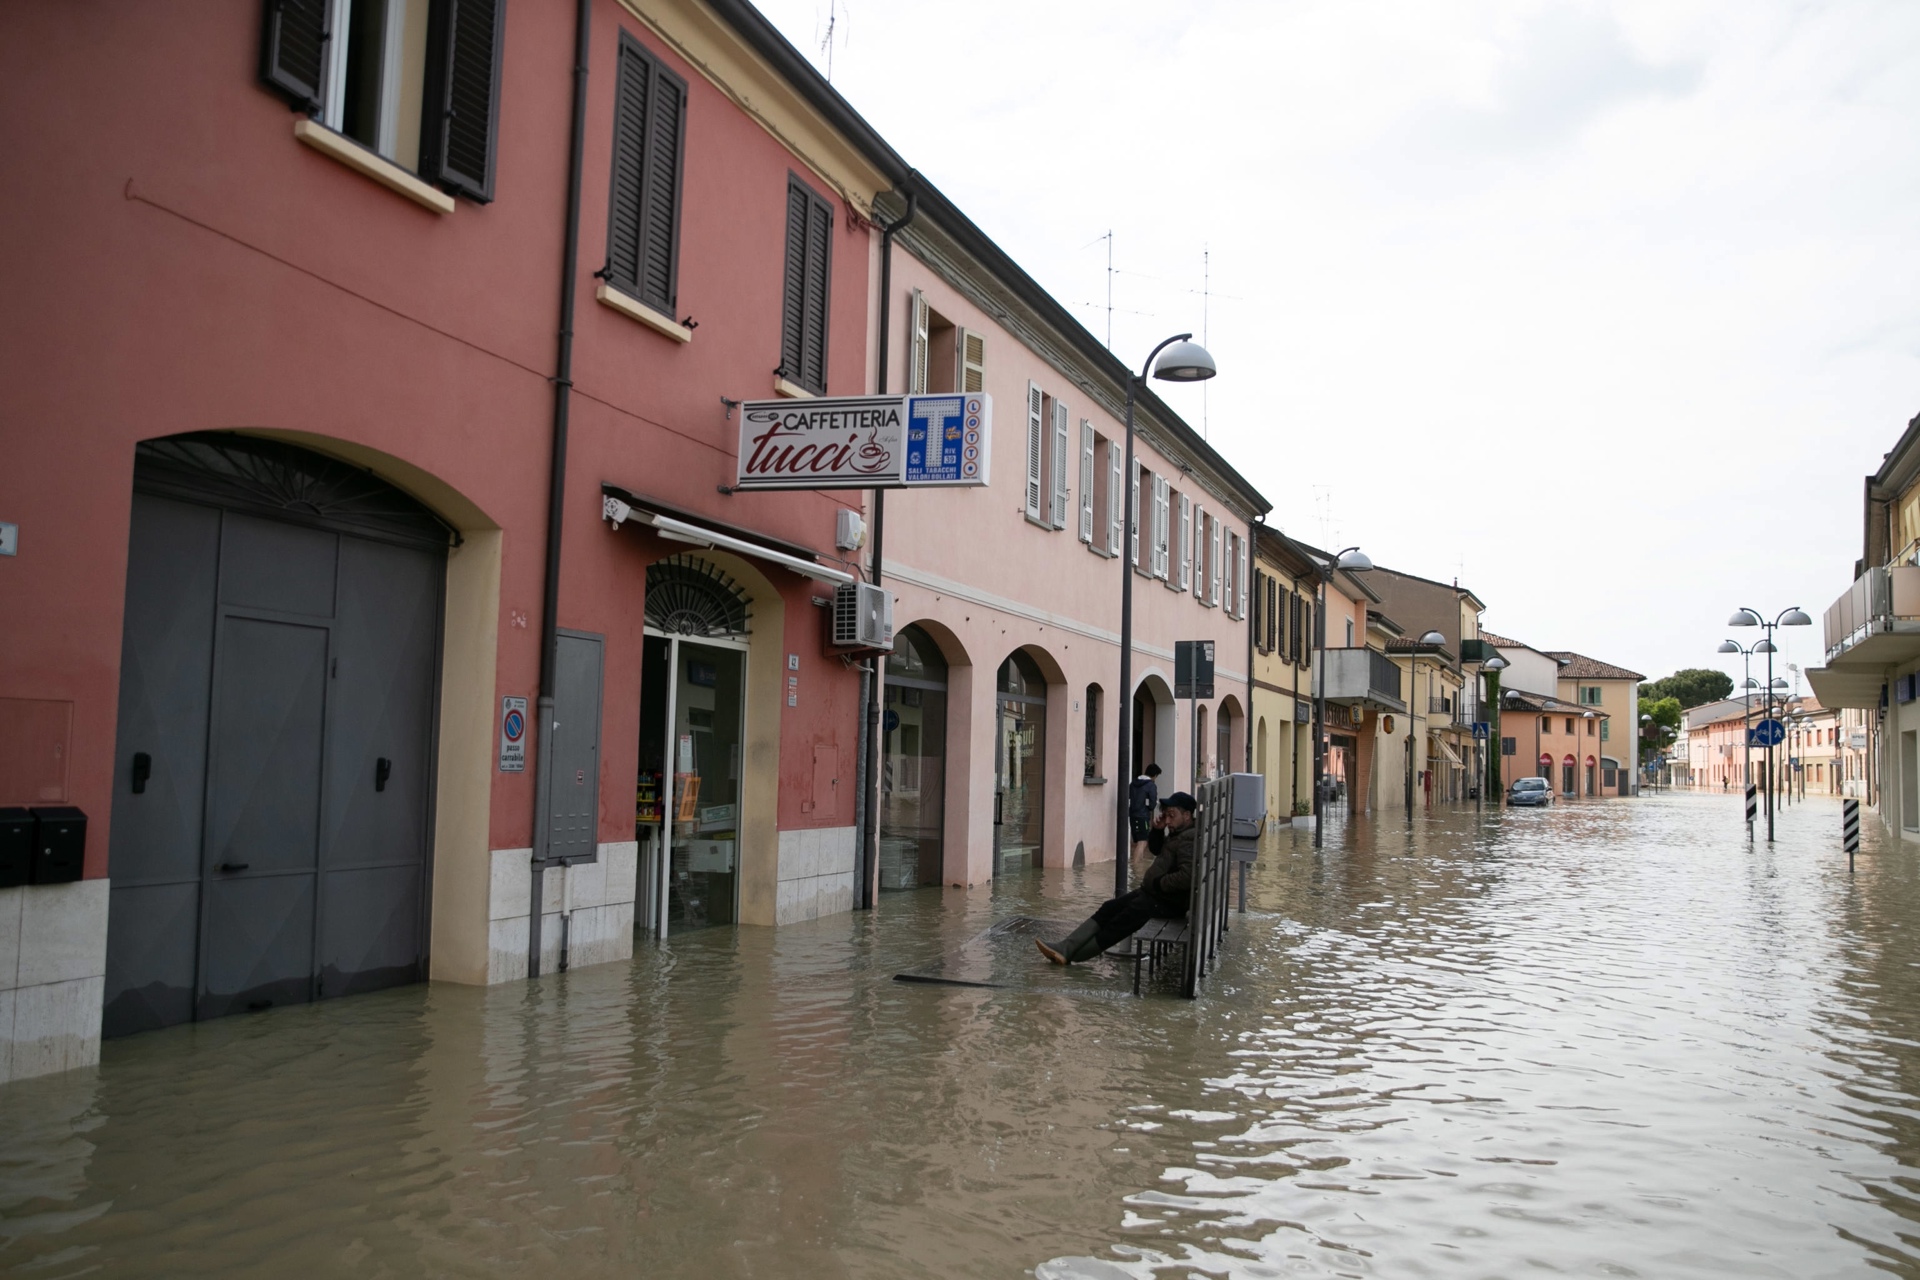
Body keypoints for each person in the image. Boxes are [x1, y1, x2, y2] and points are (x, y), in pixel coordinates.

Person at [1039, 791, 1197, 965]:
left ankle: (1075, 955)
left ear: (1187, 815)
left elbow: (1187, 876)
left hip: (1167, 901)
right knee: (1109, 908)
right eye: (1166, 815)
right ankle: (1065, 948)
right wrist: (1157, 832)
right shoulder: (1179, 833)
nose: (1167, 821)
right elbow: (1157, 850)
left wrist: (1158, 884)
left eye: (1172, 816)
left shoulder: (1188, 839)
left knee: (1122, 921)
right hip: (1156, 895)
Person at [1127, 763, 1162, 861]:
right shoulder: (1151, 786)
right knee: (1143, 842)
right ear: (1154, 775)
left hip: (1133, 815)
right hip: (1143, 816)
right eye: (1156, 776)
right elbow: (1152, 803)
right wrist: (1150, 807)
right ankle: (1136, 869)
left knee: (1139, 841)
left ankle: (1137, 866)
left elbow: (1128, 797)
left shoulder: (1133, 783)